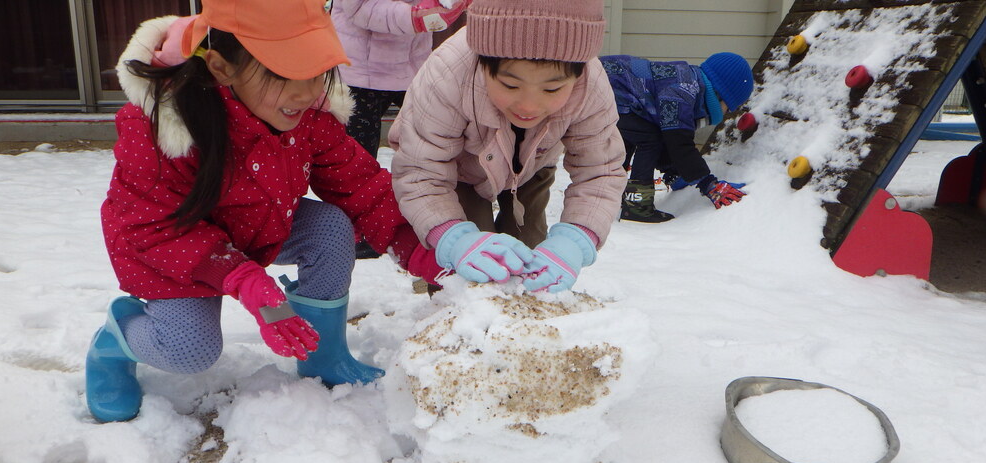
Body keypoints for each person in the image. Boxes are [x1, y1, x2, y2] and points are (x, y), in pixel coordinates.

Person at [86, 0, 441, 423]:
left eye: (316, 71)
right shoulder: (163, 125)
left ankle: (322, 355)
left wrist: (419, 249)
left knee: (329, 227)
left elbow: (361, 186)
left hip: (258, 224)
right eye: (282, 73)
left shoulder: (306, 113)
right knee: (190, 349)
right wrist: (239, 276)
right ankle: (114, 340)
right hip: (172, 248)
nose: (306, 91)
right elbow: (150, 226)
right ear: (220, 67)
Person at [388, 0, 627, 294]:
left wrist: (576, 240)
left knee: (532, 252)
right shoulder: (448, 74)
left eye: (552, 89)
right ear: (482, 62)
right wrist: (454, 237)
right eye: (510, 85)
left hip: (533, 164)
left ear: (577, 74)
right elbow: (420, 171)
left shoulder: (591, 86)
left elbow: (599, 171)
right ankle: (457, 321)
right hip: (460, 171)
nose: (528, 106)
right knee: (471, 267)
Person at [332, 0, 471, 260]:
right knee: (356, 159)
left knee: (425, 150)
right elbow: (360, 8)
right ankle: (355, 229)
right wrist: (416, 18)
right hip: (360, 71)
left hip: (412, 69)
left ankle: (426, 220)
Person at [600, 53, 755, 222]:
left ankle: (607, 192)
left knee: (636, 133)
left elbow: (670, 135)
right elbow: (679, 143)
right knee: (649, 139)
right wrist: (709, 184)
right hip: (606, 87)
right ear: (722, 95)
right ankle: (638, 205)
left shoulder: (688, 81)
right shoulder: (682, 92)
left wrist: (675, 171)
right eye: (729, 108)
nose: (727, 113)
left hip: (611, 85)